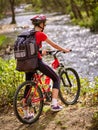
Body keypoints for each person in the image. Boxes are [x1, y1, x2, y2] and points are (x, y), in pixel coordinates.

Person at [23, 14, 71, 117]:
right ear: (41, 24)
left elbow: (31, 50)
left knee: (28, 85)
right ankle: (54, 104)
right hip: (36, 63)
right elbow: (54, 45)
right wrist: (64, 50)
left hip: (27, 63)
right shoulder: (40, 34)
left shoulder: (28, 34)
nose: (44, 25)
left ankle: (26, 114)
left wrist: (40, 52)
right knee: (56, 78)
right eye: (44, 23)